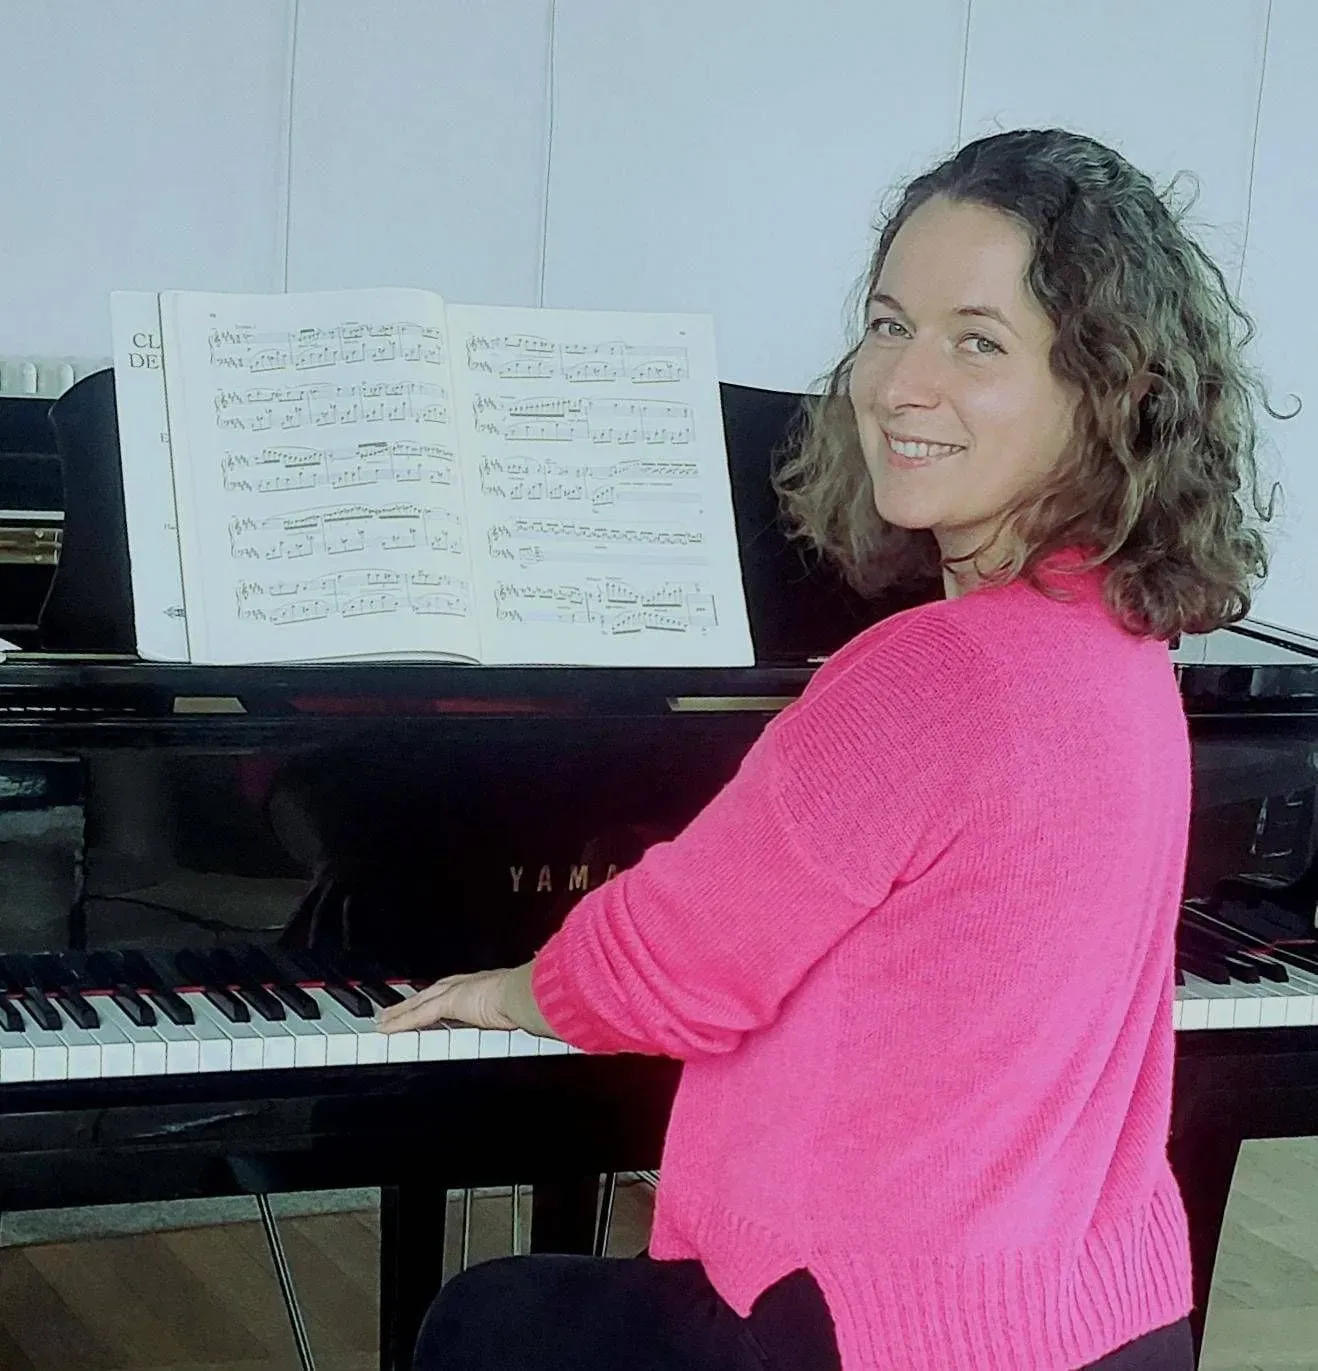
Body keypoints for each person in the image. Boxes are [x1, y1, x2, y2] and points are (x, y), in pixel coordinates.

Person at [379, 126, 1281, 1371]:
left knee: (483, 1322)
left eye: (977, 341)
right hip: (1106, 1318)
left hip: (881, 1330)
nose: (900, 383)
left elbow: (672, 969)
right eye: (888, 324)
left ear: (1110, 392)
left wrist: (508, 989)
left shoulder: (932, 673)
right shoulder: (1124, 650)